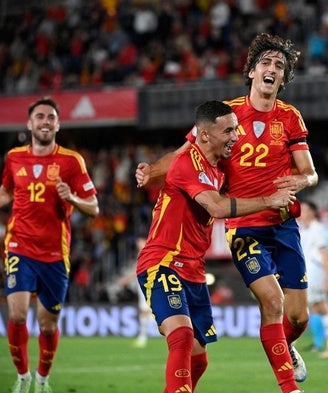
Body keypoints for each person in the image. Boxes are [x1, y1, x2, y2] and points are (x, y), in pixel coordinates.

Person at [136, 33, 318, 389]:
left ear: (284, 78)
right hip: (243, 226)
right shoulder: (226, 117)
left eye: (279, 66)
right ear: (252, 71)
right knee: (272, 300)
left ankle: (287, 347)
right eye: (265, 63)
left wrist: (301, 182)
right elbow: (184, 153)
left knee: (298, 317)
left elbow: (309, 171)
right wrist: (150, 172)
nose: (272, 69)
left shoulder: (290, 118)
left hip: (282, 224)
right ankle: (289, 388)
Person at [0, 97, 99, 393]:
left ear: (58, 124)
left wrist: (72, 198)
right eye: (40, 117)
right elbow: (5, 190)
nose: (45, 121)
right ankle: (23, 376)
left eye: (51, 117)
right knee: (16, 314)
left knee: (47, 324)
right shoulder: (14, 158)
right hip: (20, 246)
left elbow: (94, 207)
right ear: (29, 123)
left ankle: (42, 379)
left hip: (54, 254)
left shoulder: (71, 161)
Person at [298, 201, 328, 358]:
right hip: (309, 271)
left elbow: (325, 254)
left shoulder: (317, 229)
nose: (301, 212)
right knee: (318, 308)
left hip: (316, 271)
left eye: (305, 210)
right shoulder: (305, 230)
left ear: (313, 212)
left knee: (319, 306)